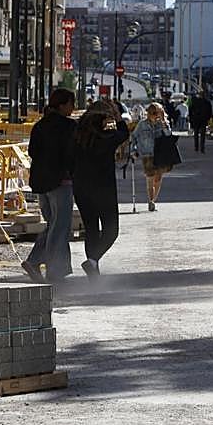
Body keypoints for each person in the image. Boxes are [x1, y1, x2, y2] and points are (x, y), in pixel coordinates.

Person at [21, 88, 77, 283]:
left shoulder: (40, 125)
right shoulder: (69, 126)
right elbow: (73, 154)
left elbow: (32, 151)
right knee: (60, 227)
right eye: (71, 103)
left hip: (41, 183)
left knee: (53, 225)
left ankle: (35, 261)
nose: (73, 107)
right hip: (61, 183)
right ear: (62, 105)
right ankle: (49, 268)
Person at [72, 99, 130, 276]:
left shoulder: (76, 136)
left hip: (81, 187)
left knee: (91, 229)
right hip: (103, 189)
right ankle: (93, 260)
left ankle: (93, 268)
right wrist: (118, 116)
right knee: (111, 230)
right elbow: (124, 133)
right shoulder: (107, 137)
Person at [131, 102, 174, 212]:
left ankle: (153, 200)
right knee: (150, 179)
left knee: (158, 178)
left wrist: (164, 121)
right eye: (153, 113)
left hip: (160, 155)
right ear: (149, 113)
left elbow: (169, 134)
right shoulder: (142, 124)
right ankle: (151, 201)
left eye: (157, 113)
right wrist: (133, 150)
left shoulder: (163, 123)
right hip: (147, 154)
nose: (155, 115)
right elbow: (134, 137)